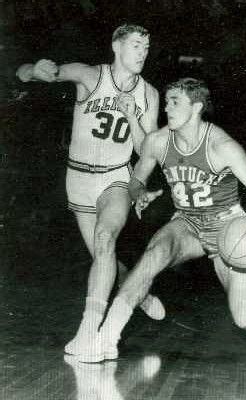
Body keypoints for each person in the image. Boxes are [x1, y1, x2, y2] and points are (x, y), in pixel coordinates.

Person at [77, 77, 246, 363]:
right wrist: (139, 193)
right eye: (166, 102)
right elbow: (135, 180)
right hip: (187, 222)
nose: (168, 108)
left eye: (175, 102)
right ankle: (106, 337)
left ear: (197, 107)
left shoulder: (222, 146)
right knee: (155, 253)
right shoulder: (158, 141)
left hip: (226, 228)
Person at [15, 24, 166, 357]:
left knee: (104, 240)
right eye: (137, 45)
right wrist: (31, 69)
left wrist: (130, 116)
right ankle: (138, 293)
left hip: (116, 178)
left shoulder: (150, 94)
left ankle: (89, 333)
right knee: (105, 258)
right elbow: (36, 73)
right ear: (117, 46)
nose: (143, 52)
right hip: (79, 179)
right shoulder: (90, 76)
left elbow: (147, 151)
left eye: (147, 46)